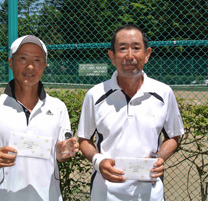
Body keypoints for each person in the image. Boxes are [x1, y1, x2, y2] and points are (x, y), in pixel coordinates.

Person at [77, 24, 184, 201]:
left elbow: (174, 136)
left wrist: (159, 158)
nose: (129, 56)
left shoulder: (164, 93)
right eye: (122, 49)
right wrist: (99, 162)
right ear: (112, 56)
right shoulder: (94, 94)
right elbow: (84, 139)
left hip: (150, 193)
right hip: (104, 193)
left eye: (136, 48)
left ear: (147, 54)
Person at [0, 35, 78, 201]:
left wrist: (63, 153)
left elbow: (60, 152)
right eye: (23, 58)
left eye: (37, 60)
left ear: (45, 65)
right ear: (11, 62)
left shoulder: (58, 107)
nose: (30, 66)